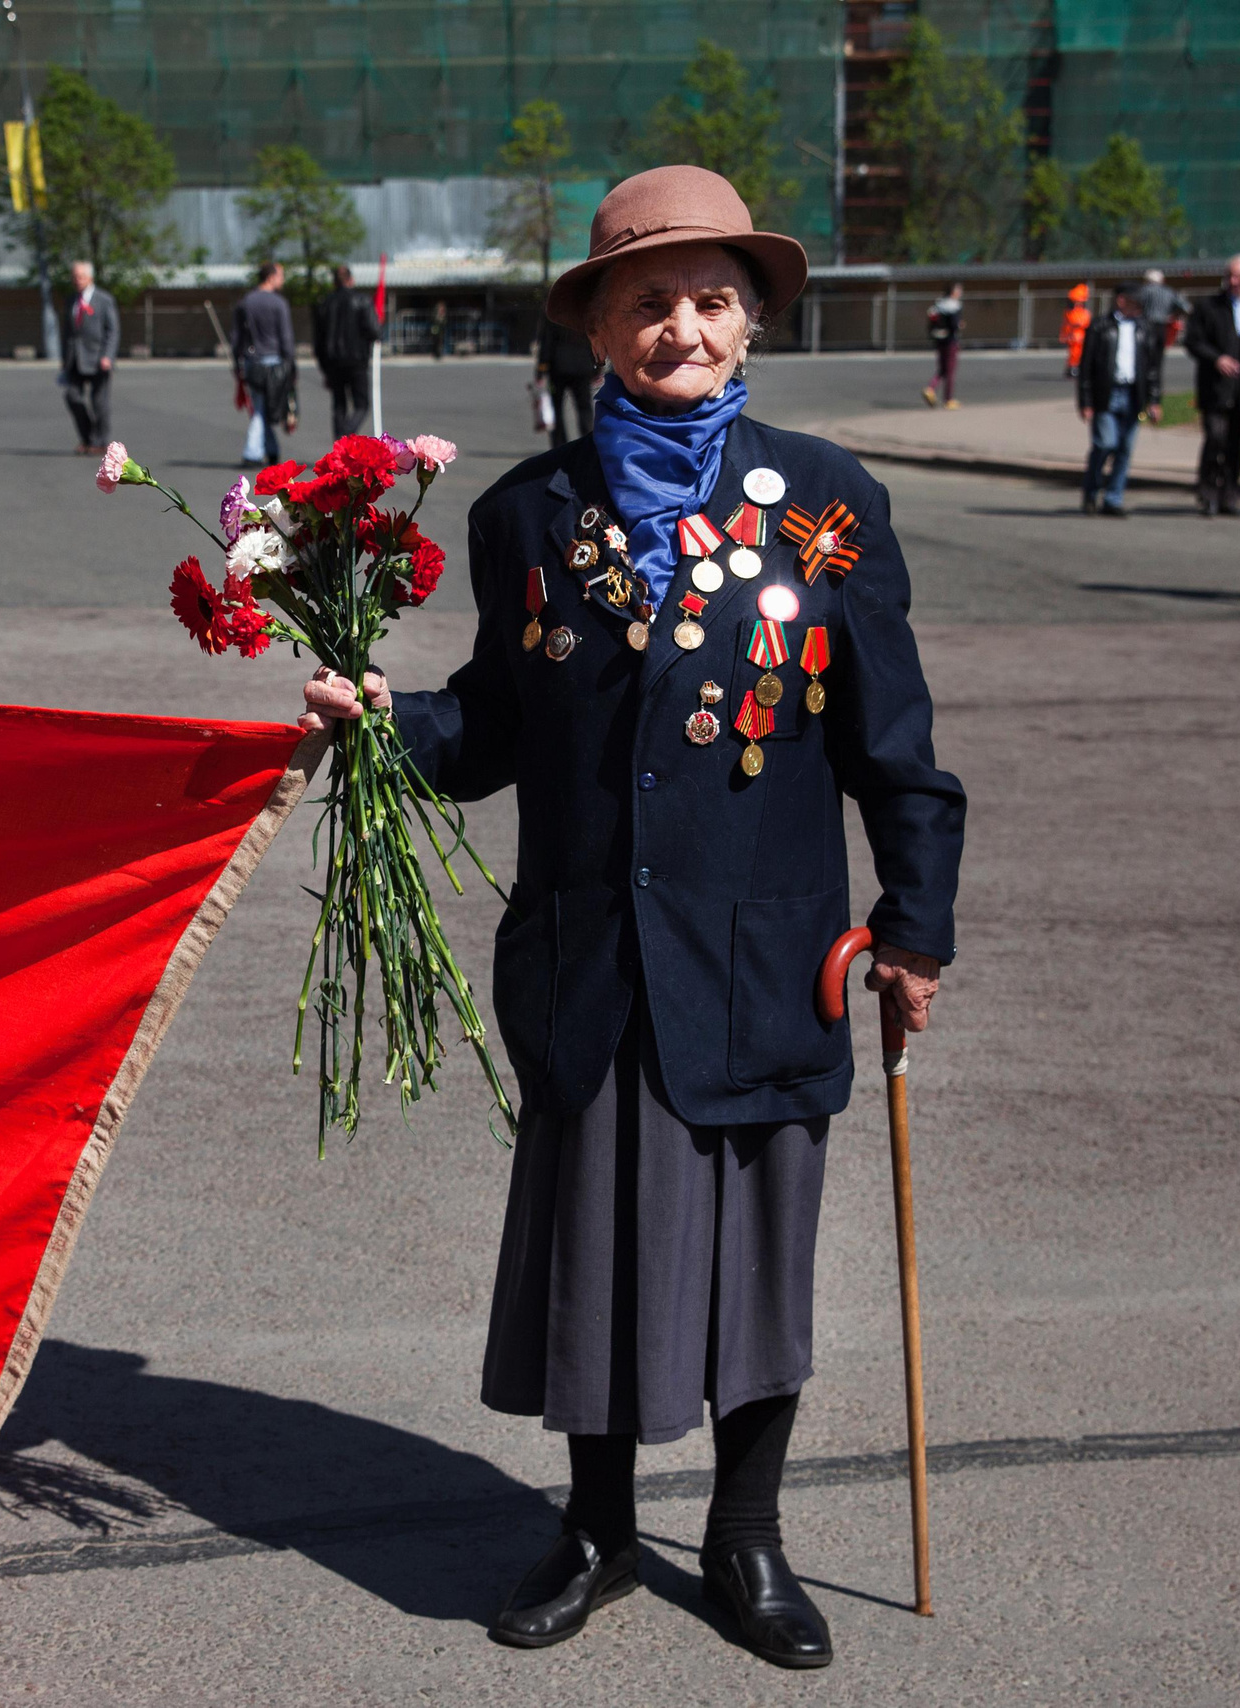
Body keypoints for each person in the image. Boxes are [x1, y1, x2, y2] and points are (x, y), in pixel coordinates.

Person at [299, 164, 962, 1671]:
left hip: (765, 957)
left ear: (751, 322)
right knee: (595, 1260)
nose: (684, 327)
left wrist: (915, 927)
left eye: (713, 300)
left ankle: (746, 1535)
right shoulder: (528, 514)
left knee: (761, 1265)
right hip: (593, 955)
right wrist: (387, 721)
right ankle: (598, 1529)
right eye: (649, 300)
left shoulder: (827, 504)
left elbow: (895, 745)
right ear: (596, 330)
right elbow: (496, 722)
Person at [1184, 254, 1240, 516]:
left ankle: (1230, 494)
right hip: (1216, 389)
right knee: (1215, 438)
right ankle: (1208, 492)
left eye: (1239, 277)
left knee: (1236, 443)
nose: (1233, 281)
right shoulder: (1209, 307)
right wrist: (1216, 358)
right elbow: (1193, 341)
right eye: (1229, 276)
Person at [1075, 283, 1161, 517]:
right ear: (1121, 300)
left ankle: (1113, 499)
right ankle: (1091, 491)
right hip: (1106, 394)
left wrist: (1154, 400)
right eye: (1135, 302)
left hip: (1133, 393)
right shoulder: (1100, 326)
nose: (1140, 308)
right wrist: (1085, 402)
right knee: (1106, 443)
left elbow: (1152, 368)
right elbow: (1086, 367)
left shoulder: (1144, 329)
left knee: (1124, 448)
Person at [232, 261, 295, 468]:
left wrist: (237, 363)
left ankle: (272, 449)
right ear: (271, 277)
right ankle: (252, 452)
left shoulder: (246, 302)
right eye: (281, 275)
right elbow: (286, 337)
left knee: (262, 407)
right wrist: (291, 364)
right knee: (262, 408)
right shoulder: (278, 303)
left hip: (253, 361)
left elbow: (237, 337)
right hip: (274, 362)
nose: (282, 280)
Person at [313, 263, 379, 438]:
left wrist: (324, 368)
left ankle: (340, 441)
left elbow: (318, 341)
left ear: (334, 282)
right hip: (357, 360)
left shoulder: (325, 303)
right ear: (351, 280)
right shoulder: (362, 300)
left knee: (339, 405)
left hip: (333, 362)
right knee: (361, 405)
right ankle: (345, 436)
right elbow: (374, 330)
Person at [61, 259, 119, 453]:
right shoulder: (71, 300)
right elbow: (67, 332)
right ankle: (86, 437)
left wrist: (108, 356)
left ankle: (99, 441)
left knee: (99, 403)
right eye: (74, 277)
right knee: (72, 397)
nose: (77, 280)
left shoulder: (104, 300)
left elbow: (112, 330)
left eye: (81, 276)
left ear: (90, 278)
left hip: (98, 359)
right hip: (75, 359)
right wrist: (64, 359)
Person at [531, 314, 597, 448]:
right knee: (584, 407)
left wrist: (541, 369)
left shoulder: (554, 313)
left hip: (558, 368)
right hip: (582, 367)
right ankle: (589, 442)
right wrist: (596, 368)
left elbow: (546, 342)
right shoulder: (584, 312)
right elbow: (593, 341)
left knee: (556, 407)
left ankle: (559, 444)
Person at [922, 281, 962, 408]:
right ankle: (948, 399)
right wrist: (959, 325)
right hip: (950, 340)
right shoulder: (954, 305)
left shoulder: (939, 304)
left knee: (942, 368)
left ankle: (930, 388)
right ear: (953, 291)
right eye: (958, 290)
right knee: (950, 370)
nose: (960, 292)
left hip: (939, 339)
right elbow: (954, 325)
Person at [1061, 281, 1093, 377]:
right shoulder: (1070, 312)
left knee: (1079, 353)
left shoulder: (1083, 312)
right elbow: (1073, 323)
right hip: (1074, 336)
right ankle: (1072, 368)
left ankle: (1076, 368)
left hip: (1080, 336)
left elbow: (1086, 322)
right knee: (1074, 353)